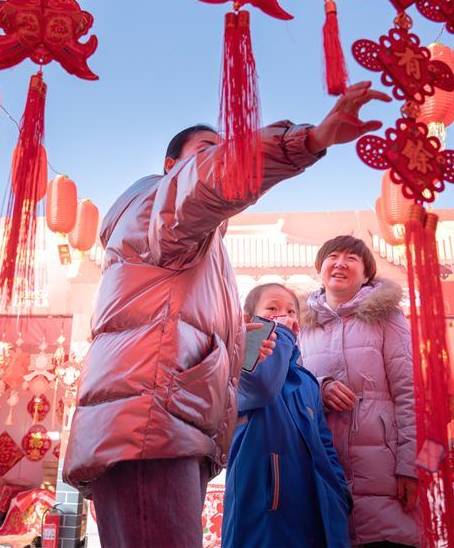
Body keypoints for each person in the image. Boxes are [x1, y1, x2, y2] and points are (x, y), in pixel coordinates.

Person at [61, 82, 392, 548]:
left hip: (167, 426)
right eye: (207, 153)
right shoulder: (157, 206)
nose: (220, 160)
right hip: (150, 423)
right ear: (172, 168)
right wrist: (309, 140)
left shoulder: (202, 251)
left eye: (290, 310)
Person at [300, 235, 419, 547]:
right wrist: (320, 390)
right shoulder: (302, 326)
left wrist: (410, 466)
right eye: (333, 256)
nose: (340, 263)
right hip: (323, 468)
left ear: (367, 274)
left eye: (352, 258)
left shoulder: (388, 317)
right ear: (320, 268)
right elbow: (293, 390)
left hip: (384, 472)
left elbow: (410, 391)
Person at [223, 283, 351, 548]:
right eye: (272, 309)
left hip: (314, 511)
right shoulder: (237, 364)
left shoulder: (306, 381)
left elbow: (324, 444)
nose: (284, 317)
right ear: (248, 320)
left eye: (291, 311)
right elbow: (261, 386)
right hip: (264, 512)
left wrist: (337, 491)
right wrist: (276, 334)